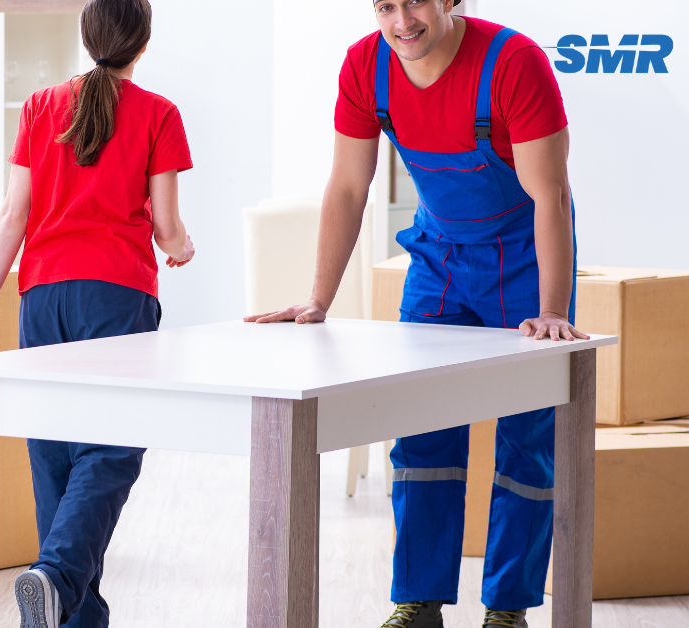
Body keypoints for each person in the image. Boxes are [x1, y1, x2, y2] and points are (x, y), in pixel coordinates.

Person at [246, 1, 587, 627]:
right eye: (385, 5)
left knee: (526, 437)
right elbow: (349, 186)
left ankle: (507, 609)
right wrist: (317, 299)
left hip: (522, 258)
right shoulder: (365, 67)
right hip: (438, 261)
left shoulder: (513, 64)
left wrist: (553, 310)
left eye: (416, 2)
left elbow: (551, 194)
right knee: (420, 430)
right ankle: (419, 603)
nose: (402, 20)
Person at [0, 0, 195, 626]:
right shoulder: (159, 113)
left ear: (86, 35)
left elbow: (14, 214)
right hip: (115, 295)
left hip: (41, 294)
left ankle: (72, 611)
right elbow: (168, 227)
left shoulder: (40, 107)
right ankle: (57, 574)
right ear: (143, 44)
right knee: (113, 445)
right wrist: (182, 248)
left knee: (55, 453)